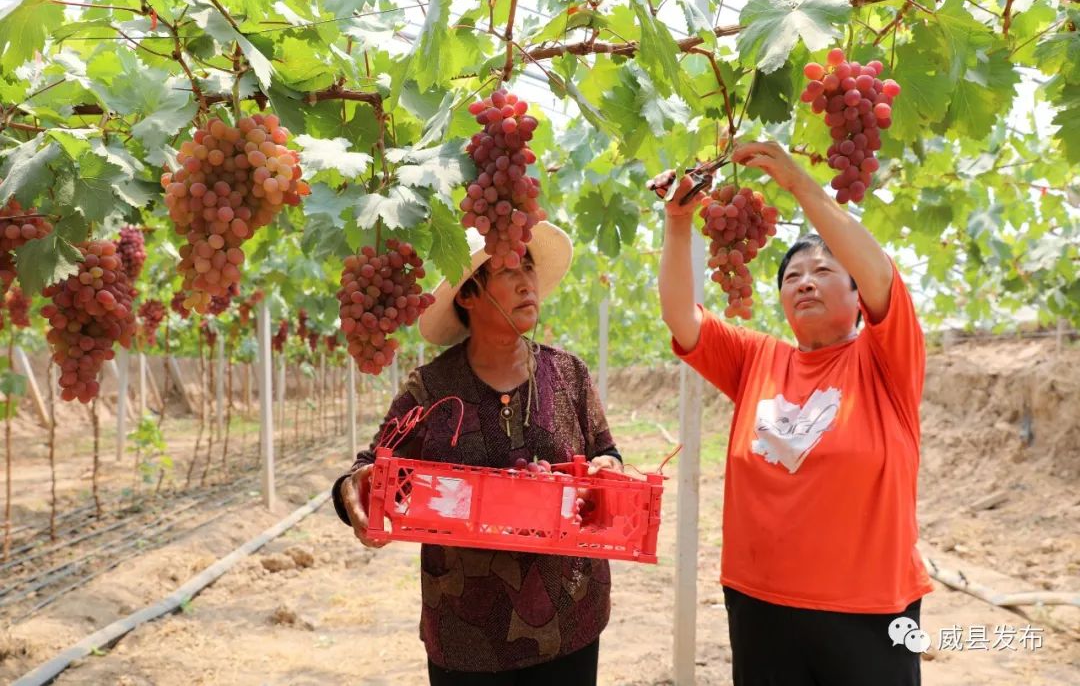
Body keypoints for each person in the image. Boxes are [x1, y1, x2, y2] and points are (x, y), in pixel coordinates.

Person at [653, 141, 932, 686]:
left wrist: (801, 185)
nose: (804, 281)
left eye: (823, 270)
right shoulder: (757, 358)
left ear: (858, 296)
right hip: (760, 603)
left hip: (870, 609)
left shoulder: (886, 360)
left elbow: (880, 273)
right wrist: (678, 224)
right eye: (791, 276)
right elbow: (681, 316)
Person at [332, 222, 623, 685]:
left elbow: (606, 451)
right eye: (510, 270)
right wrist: (354, 490)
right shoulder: (431, 388)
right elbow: (368, 470)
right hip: (465, 636)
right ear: (468, 294)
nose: (527, 282)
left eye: (530, 268)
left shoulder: (569, 374)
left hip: (569, 621)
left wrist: (609, 468)